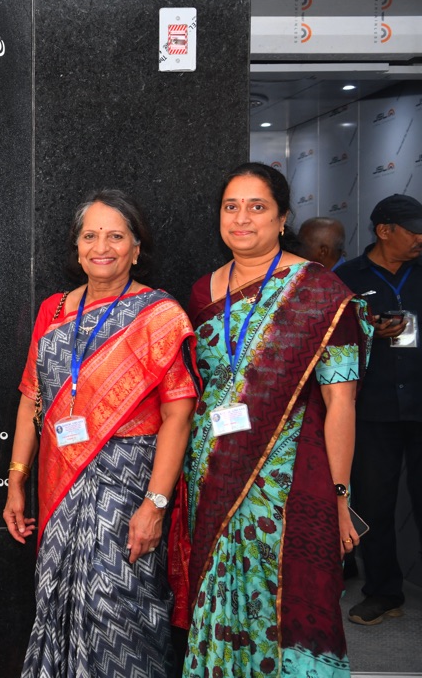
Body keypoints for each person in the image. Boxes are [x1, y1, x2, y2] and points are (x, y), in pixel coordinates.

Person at [183, 162, 370, 677]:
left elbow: (341, 403)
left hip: (290, 481)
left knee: (286, 600)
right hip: (210, 474)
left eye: (257, 207)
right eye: (231, 206)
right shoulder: (202, 293)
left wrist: (340, 496)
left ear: (283, 218)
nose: (242, 218)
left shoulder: (321, 293)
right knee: (216, 594)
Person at [4, 189, 200, 678]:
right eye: (90, 236)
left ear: (136, 248)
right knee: (58, 600)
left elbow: (179, 415)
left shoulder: (159, 314)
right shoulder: (53, 312)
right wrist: (16, 480)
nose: (101, 247)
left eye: (116, 236)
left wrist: (155, 505)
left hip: (128, 489)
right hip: (60, 484)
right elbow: (31, 399)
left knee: (123, 609)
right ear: (76, 247)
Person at [334, 194, 422, 625]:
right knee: (374, 504)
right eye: (414, 230)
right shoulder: (345, 278)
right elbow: (329, 339)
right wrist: (368, 329)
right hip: (370, 409)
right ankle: (384, 592)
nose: (421, 238)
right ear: (384, 230)